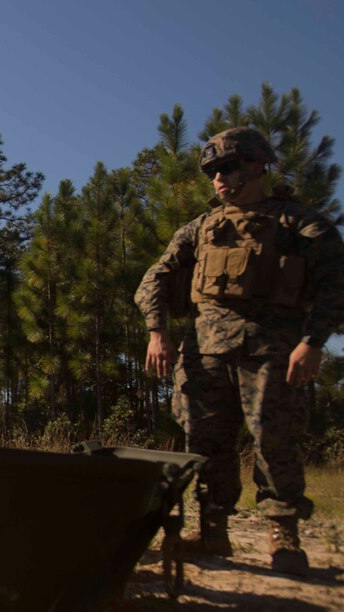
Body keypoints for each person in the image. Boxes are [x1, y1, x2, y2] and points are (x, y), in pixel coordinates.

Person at [135, 127, 344, 575]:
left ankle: (282, 535)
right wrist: (157, 330)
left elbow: (336, 284)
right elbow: (156, 277)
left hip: (273, 351)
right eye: (212, 172)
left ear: (256, 165)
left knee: (275, 441)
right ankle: (213, 531)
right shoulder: (200, 228)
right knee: (206, 443)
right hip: (205, 352)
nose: (218, 179)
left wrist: (312, 342)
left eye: (226, 168)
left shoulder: (296, 222)